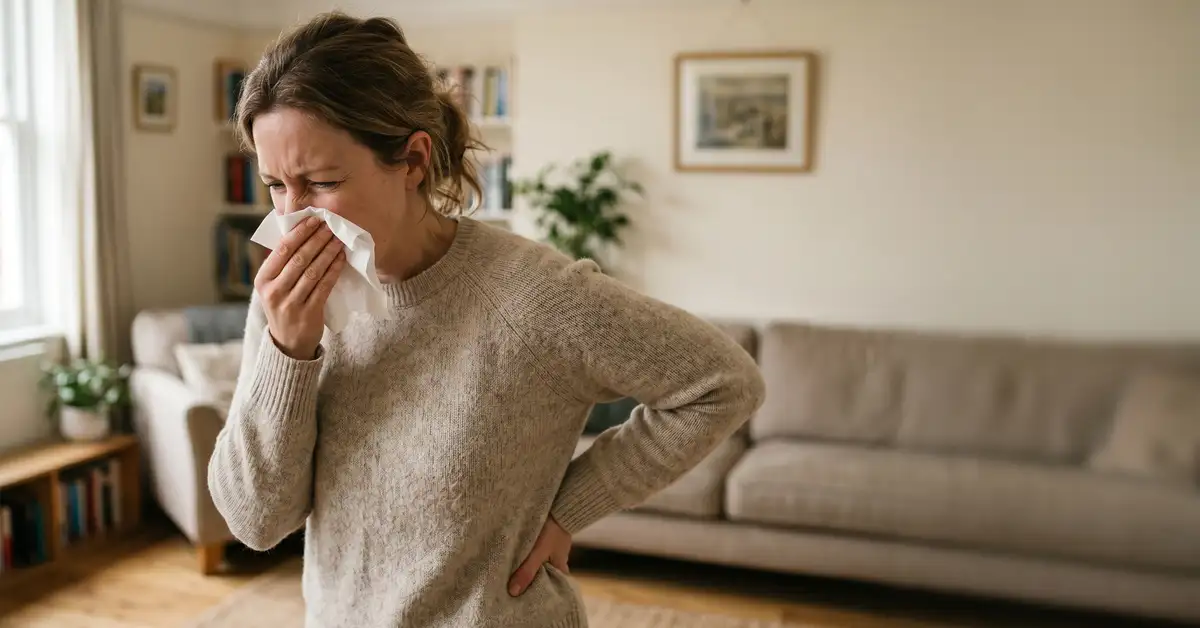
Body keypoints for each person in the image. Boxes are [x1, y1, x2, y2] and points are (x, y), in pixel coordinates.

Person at [207, 11, 765, 628]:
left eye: (321, 182)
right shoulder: (286, 302)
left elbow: (722, 383)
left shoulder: (534, 296)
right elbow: (256, 523)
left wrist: (569, 509)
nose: (293, 217)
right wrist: (288, 351)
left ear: (414, 161)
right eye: (274, 187)